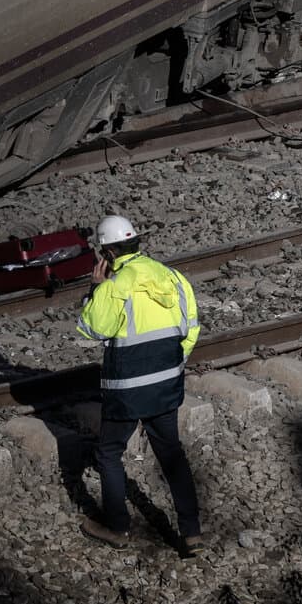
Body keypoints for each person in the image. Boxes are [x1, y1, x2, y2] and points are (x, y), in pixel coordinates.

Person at [74, 214, 203, 555]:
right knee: (171, 454)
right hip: (166, 384)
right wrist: (172, 367)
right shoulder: (172, 277)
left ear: (109, 253)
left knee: (108, 453)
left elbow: (92, 329)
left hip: (127, 389)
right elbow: (190, 328)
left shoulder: (116, 285)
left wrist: (96, 289)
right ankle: (191, 533)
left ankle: (117, 528)